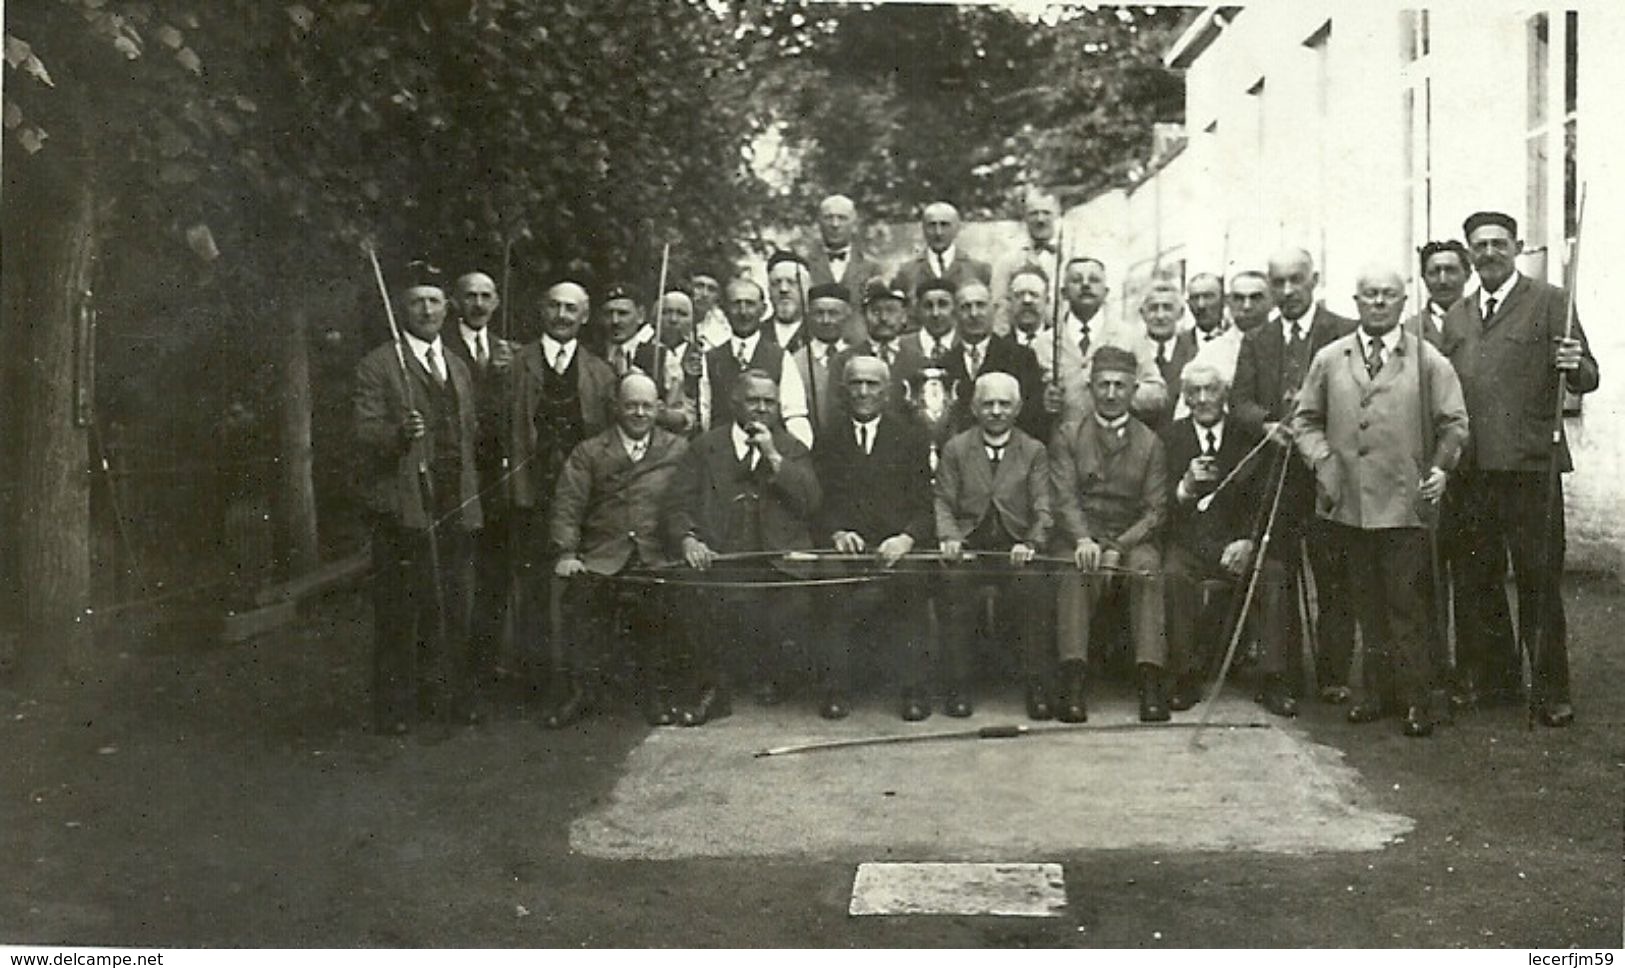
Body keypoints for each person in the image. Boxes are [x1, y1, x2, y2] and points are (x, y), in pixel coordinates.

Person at [1438, 210, 1599, 726]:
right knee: (1477, 580)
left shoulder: (1552, 302)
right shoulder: (1457, 316)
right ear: (1470, 252)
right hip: (1473, 471)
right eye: (1479, 244)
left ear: (1517, 246)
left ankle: (1551, 691)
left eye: (1498, 243)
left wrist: (1575, 365)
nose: (1489, 252)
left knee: (1538, 581)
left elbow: (1588, 377)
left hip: (1531, 468)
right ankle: (1497, 680)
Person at [1294, 264, 1469, 737]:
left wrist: (1440, 469)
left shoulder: (1427, 360)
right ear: (1356, 300)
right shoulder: (1331, 358)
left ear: (1402, 301)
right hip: (1347, 501)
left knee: (1406, 604)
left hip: (1404, 501)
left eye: (1387, 295)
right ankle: (1375, 693)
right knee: (1365, 601)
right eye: (1369, 294)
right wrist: (1322, 460)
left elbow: (1455, 423)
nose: (1377, 302)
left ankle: (1417, 698)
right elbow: (1304, 420)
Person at [353, 260, 482, 740]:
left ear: (447, 309)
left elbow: (468, 435)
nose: (426, 310)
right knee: (400, 608)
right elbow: (363, 434)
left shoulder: (458, 367)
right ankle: (393, 706)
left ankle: (442, 696)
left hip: (452, 500)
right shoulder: (379, 365)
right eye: (416, 302)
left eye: (433, 301)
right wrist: (397, 434)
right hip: (402, 506)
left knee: (451, 603)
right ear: (401, 308)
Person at [1229, 249, 1358, 705]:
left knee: (1334, 574)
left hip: (1325, 473)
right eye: (1278, 282)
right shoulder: (1257, 340)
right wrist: (1266, 423)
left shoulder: (1343, 332)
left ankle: (1334, 674)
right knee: (1278, 574)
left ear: (1314, 280)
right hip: (1278, 476)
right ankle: (1282, 678)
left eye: (1295, 280)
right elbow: (1239, 400)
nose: (1286, 291)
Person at [665, 369, 821, 722]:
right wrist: (688, 539)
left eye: (769, 402)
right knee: (694, 596)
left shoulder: (792, 448)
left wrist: (774, 457)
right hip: (720, 554)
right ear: (735, 402)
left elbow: (811, 501)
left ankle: (777, 677)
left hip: (777, 558)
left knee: (793, 605)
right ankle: (712, 690)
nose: (761, 409)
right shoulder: (706, 447)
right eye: (754, 401)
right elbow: (676, 504)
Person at [548, 373, 689, 728]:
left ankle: (656, 695)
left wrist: (687, 539)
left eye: (646, 406)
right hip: (603, 554)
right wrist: (567, 553)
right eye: (631, 405)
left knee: (665, 608)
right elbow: (568, 505)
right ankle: (580, 693)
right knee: (578, 603)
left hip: (657, 554)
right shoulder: (590, 452)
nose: (639, 413)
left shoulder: (677, 449)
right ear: (616, 408)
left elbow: (689, 501)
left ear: (659, 408)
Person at [1160, 361, 1296, 715]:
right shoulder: (1169, 438)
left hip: (1239, 543)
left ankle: (1273, 680)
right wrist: (1185, 488)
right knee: (1173, 575)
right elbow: (1162, 509)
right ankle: (1185, 676)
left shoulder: (1250, 437)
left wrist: (1248, 542)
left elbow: (1267, 500)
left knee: (1274, 574)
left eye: (1211, 390)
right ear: (1184, 397)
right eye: (1194, 392)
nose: (1203, 399)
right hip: (1190, 544)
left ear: (1225, 394)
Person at [507, 281, 618, 706]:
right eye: (553, 306)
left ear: (585, 316)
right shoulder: (517, 365)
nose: (561, 315)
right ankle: (536, 683)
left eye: (570, 308)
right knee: (534, 586)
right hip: (532, 492)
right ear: (542, 310)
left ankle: (583, 682)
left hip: (584, 496)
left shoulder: (599, 372)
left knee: (582, 587)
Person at [1049, 346, 1169, 723]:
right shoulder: (1068, 435)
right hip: (1081, 536)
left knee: (1147, 570)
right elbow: (1063, 498)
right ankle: (1073, 682)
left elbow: (1155, 510)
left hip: (1131, 538)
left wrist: (1119, 547)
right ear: (1090, 388)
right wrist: (1084, 540)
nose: (1112, 393)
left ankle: (1150, 682)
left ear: (1134, 390)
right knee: (1073, 571)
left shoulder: (1151, 443)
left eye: (1120, 385)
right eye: (1104, 385)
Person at [814, 356, 935, 721]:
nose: (863, 392)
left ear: (887, 393)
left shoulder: (911, 437)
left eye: (872, 384)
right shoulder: (829, 436)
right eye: (856, 384)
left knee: (913, 582)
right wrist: (836, 531)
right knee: (830, 579)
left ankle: (913, 689)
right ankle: (836, 687)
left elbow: (927, 503)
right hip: (847, 544)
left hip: (894, 545)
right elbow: (818, 500)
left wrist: (907, 538)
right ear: (844, 390)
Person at [934, 373, 1054, 719]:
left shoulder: (1033, 450)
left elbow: (1044, 507)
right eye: (988, 403)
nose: (996, 411)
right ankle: (959, 686)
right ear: (974, 408)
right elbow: (942, 500)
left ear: (1018, 408)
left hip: (1016, 549)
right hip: (970, 548)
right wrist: (950, 538)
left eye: (1004, 404)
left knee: (1035, 590)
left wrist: (1031, 541)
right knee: (953, 587)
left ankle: (1036, 685)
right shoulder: (957, 448)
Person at [447, 270, 516, 711]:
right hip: (453, 475)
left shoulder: (507, 350)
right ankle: (453, 673)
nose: (477, 304)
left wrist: (504, 378)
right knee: (456, 575)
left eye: (485, 296)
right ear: (457, 301)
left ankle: (487, 666)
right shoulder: (444, 347)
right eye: (469, 295)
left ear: (495, 303)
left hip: (495, 477)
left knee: (494, 574)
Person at [1035, 257, 1166, 425]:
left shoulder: (1129, 337)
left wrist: (1121, 393)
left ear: (1106, 292)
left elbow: (1158, 393)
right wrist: (1043, 400)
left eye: (1094, 280)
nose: (1085, 285)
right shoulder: (1044, 343)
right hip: (1062, 444)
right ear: (1064, 293)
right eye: (1076, 280)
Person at [701, 277, 813, 447]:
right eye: (736, 304)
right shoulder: (710, 358)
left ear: (763, 309)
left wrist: (796, 455)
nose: (743, 312)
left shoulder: (781, 357)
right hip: (723, 454)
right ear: (725, 310)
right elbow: (705, 415)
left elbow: (795, 414)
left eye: (750, 304)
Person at [939, 281, 1050, 446]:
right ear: (955, 315)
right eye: (966, 307)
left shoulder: (1020, 357)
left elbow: (1033, 418)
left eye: (981, 305)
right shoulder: (944, 364)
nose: (974, 313)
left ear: (994, 310)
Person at [804, 194, 884, 343]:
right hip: (815, 345)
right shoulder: (804, 264)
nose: (835, 224)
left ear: (853, 223)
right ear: (819, 222)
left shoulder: (871, 266)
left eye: (842, 218)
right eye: (829, 218)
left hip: (857, 346)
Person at [891, 201, 993, 310]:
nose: (938, 232)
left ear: (957, 228)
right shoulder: (907, 271)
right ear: (923, 229)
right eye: (932, 225)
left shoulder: (978, 269)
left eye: (944, 225)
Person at [991, 188, 1064, 333]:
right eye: (1033, 214)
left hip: (1061, 341)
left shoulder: (1068, 258)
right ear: (1025, 218)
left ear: (1057, 217)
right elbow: (999, 307)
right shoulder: (1008, 260)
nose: (1040, 219)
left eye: (1046, 213)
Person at [791, 282, 856, 436]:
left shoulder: (859, 357)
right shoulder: (795, 362)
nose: (826, 320)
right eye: (819, 313)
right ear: (808, 316)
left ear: (847, 315)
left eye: (833, 313)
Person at [632, 287, 699, 436]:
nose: (673, 319)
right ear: (654, 317)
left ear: (692, 320)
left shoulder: (701, 354)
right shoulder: (641, 352)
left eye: (682, 314)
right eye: (666, 312)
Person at [1140, 280, 1197, 431]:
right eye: (1153, 308)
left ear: (1180, 313)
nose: (1160, 316)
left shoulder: (1194, 354)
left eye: (1167, 308)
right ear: (1142, 313)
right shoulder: (1132, 353)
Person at [1411, 240, 1472, 345]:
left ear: (1467, 274)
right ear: (1423, 277)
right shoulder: (1410, 329)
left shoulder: (1483, 323)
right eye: (1434, 272)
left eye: (1451, 271)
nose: (1443, 280)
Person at [764, 250, 811, 353]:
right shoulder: (755, 334)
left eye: (791, 282)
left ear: (806, 288)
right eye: (776, 283)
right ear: (769, 290)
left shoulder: (819, 334)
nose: (783, 289)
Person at [1006, 265, 1053, 351]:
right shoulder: (998, 347)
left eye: (1034, 294)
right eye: (1019, 295)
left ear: (1046, 300)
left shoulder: (1059, 345)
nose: (1026, 300)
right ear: (1010, 301)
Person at [688, 268, 733, 352]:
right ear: (689, 288)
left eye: (711, 289)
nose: (705, 294)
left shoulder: (723, 329)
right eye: (699, 286)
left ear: (718, 296)